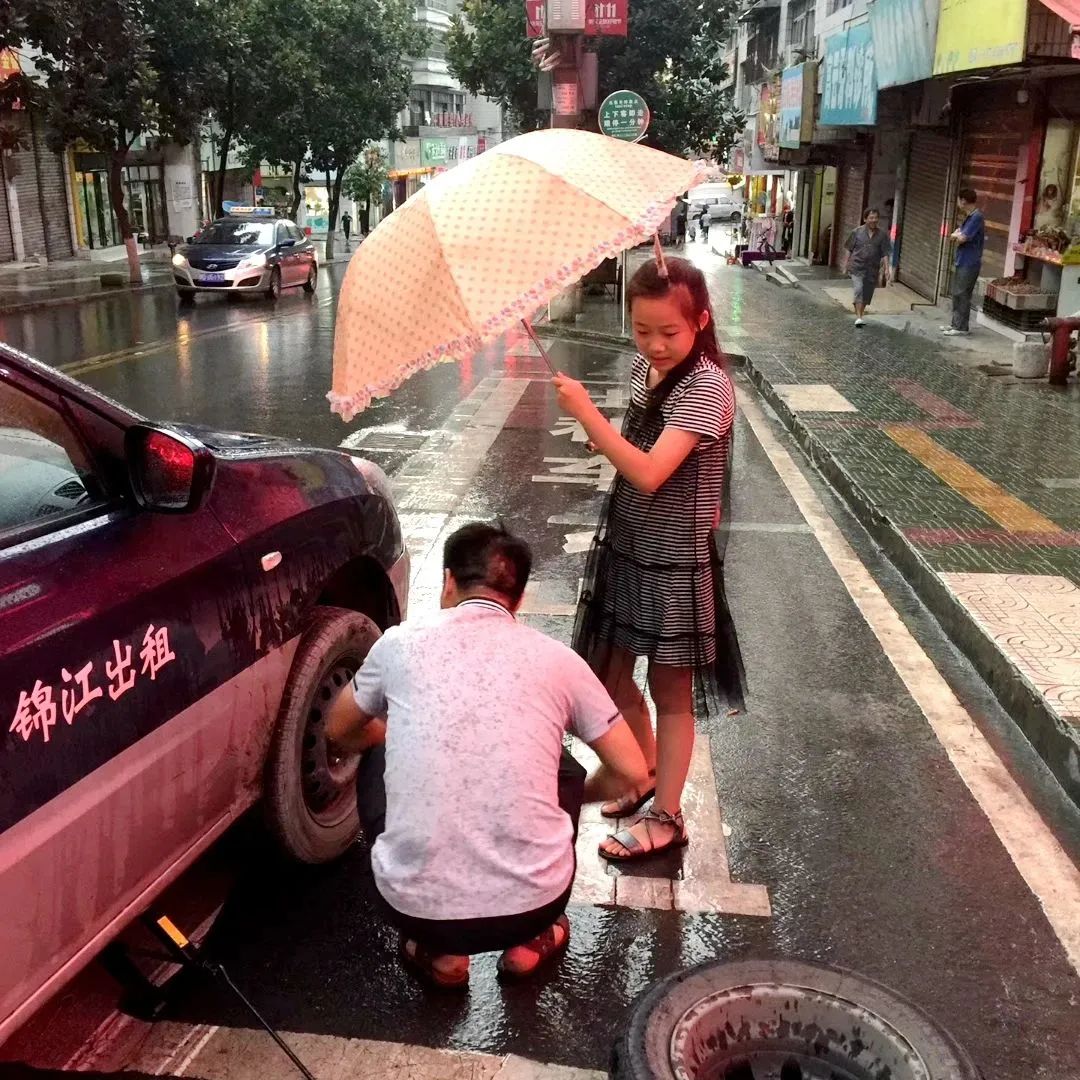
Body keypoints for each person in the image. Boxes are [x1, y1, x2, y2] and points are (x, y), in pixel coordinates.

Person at [326, 523, 647, 989]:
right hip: (534, 903)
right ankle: (531, 941)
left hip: (415, 910)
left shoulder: (399, 643)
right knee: (561, 769)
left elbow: (339, 729)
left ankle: (443, 955)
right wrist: (570, 800)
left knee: (379, 743)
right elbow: (633, 771)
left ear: (449, 582)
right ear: (517, 600)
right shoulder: (557, 660)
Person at [552, 247, 745, 863]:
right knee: (608, 680)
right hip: (629, 548)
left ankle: (667, 815)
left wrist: (587, 412)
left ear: (702, 322)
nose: (655, 345)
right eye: (642, 331)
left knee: (671, 692)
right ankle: (642, 775)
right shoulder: (646, 371)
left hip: (674, 564)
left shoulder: (709, 386)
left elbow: (650, 471)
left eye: (670, 332)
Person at [942, 188, 984, 337]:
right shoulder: (969, 217)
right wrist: (956, 234)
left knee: (962, 293)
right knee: (957, 293)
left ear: (963, 200)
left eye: (959, 200)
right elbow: (958, 232)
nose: (958, 203)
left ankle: (961, 327)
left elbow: (962, 237)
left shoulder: (976, 217)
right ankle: (955, 323)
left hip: (970, 261)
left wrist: (956, 235)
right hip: (962, 260)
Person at [842, 207, 892, 327]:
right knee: (858, 289)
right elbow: (849, 249)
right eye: (871, 218)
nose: (874, 220)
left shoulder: (882, 235)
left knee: (866, 294)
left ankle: (860, 311)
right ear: (865, 219)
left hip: (872, 269)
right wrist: (846, 264)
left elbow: (885, 253)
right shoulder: (856, 232)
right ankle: (859, 317)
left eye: (876, 218)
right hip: (857, 267)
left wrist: (886, 270)